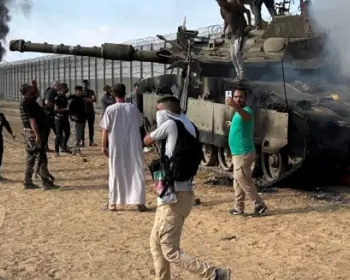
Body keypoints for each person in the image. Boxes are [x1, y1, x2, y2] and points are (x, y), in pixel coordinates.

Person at [144, 95, 231, 280]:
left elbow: (146, 140)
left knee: (170, 249)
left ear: (165, 111)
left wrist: (154, 127)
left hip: (174, 196)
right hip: (176, 192)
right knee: (156, 243)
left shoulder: (170, 125)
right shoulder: (190, 127)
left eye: (158, 110)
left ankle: (215, 274)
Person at [100, 83, 147, 211]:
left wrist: (103, 146)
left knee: (116, 171)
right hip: (133, 145)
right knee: (136, 170)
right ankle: (139, 202)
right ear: (125, 94)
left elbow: (105, 129)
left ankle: (112, 203)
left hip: (116, 146)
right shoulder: (133, 108)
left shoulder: (110, 109)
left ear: (113, 94)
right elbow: (140, 123)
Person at [226, 88, 268, 216]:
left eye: (241, 97)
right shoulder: (237, 113)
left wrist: (234, 106)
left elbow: (245, 116)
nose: (238, 99)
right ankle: (238, 207)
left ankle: (259, 205)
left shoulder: (247, 110)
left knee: (244, 179)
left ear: (245, 99)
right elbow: (241, 123)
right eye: (236, 97)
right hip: (237, 153)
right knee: (238, 181)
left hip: (243, 153)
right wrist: (232, 124)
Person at [19, 84, 58, 190]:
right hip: (33, 133)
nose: (33, 89)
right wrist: (37, 135)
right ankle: (46, 182)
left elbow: (37, 94)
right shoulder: (29, 103)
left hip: (29, 132)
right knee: (40, 157)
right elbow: (32, 121)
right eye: (30, 88)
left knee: (31, 157)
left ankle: (27, 181)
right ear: (27, 91)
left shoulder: (26, 101)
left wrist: (35, 86)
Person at [216, 0, 249, 81]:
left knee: (237, 53)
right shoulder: (222, 10)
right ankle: (238, 75)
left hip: (241, 33)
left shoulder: (235, 6)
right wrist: (223, 31)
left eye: (221, 3)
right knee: (232, 56)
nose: (220, 5)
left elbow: (247, 12)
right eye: (218, 4)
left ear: (225, 0)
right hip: (233, 35)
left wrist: (249, 25)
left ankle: (242, 76)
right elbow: (226, 21)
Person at [50, 82, 71, 156]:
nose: (67, 89)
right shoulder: (58, 97)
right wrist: (66, 109)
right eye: (66, 88)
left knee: (67, 133)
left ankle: (64, 146)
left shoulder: (65, 97)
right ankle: (56, 151)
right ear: (62, 89)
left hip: (65, 118)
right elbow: (56, 109)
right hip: (58, 119)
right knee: (59, 135)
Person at [82, 80, 97, 146]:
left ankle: (91, 141)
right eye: (83, 84)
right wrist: (90, 100)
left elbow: (94, 99)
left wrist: (86, 100)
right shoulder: (81, 92)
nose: (85, 85)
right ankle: (82, 141)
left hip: (90, 112)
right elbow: (81, 100)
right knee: (82, 127)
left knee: (91, 127)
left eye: (86, 84)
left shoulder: (91, 91)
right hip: (83, 112)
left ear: (88, 84)